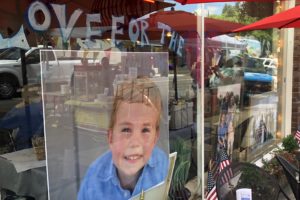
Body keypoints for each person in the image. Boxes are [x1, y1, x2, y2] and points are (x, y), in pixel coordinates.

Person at [78, 77, 169, 200]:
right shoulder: (94, 178)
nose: (135, 142)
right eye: (126, 130)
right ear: (110, 138)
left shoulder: (163, 164)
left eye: (145, 130)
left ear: (155, 138)